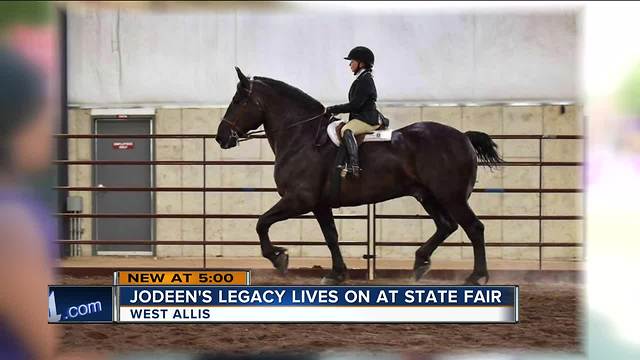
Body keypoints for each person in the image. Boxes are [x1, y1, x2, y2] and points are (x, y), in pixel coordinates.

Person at [326, 46, 379, 177]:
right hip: (361, 117)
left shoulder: (365, 80)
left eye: (352, 61)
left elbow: (355, 105)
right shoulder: (362, 79)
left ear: (361, 63)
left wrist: (334, 109)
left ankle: (353, 165)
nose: (350, 64)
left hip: (367, 119)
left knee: (346, 130)